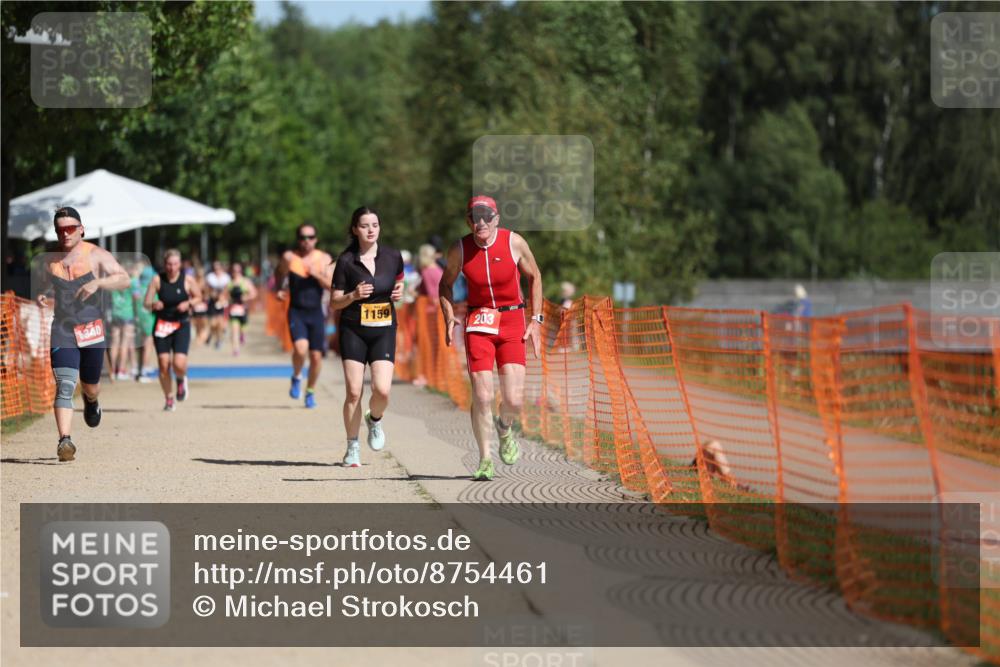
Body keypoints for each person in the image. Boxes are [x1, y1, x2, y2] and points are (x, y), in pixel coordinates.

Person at [439, 195, 543, 481]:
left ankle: (504, 427)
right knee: (482, 395)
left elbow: (535, 276)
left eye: (487, 216)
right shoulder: (460, 249)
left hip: (512, 320)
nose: (481, 222)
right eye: (475, 217)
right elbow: (445, 284)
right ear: (468, 221)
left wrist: (536, 320)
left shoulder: (514, 242)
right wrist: (449, 316)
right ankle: (485, 459)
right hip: (479, 322)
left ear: (497, 218)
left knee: (513, 399)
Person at [36, 206, 130, 461]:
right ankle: (64, 441)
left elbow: (124, 279)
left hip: (91, 330)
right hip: (63, 330)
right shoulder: (50, 260)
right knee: (65, 385)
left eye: (70, 228)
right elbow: (46, 286)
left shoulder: (96, 255)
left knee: (91, 386)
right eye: (60, 230)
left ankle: (91, 401)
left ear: (81, 229)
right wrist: (44, 296)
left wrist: (98, 282)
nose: (65, 233)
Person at [330, 207, 405, 467]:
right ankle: (352, 447)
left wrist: (399, 291)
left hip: (384, 328)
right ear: (355, 230)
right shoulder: (346, 261)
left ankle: (374, 420)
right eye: (364, 225)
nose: (371, 230)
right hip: (353, 330)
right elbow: (334, 302)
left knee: (382, 390)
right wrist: (353, 295)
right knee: (354, 392)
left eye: (375, 224)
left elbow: (399, 280)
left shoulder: (393, 256)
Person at [274, 223, 335, 409]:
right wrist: (279, 289)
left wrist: (316, 274)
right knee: (301, 350)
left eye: (310, 237)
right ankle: (297, 376)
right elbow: (279, 272)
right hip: (296, 311)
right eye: (302, 237)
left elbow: (332, 286)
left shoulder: (324, 259)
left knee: (316, 356)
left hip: (316, 312)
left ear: (316, 239)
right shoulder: (289, 257)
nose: (306, 241)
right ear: (298, 239)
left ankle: (310, 391)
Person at [144, 249, 202, 411]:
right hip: (162, 325)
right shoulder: (157, 280)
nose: (172, 267)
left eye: (175, 264)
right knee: (163, 364)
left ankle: (181, 379)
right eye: (169, 264)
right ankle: (169, 398)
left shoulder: (187, 280)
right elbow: (146, 303)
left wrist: (188, 303)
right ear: (165, 264)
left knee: (178, 363)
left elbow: (199, 297)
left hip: (181, 324)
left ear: (180, 264)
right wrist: (154, 304)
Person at [108, 261, 137, 380]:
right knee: (124, 343)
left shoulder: (111, 281)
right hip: (127, 315)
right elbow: (136, 297)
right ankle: (121, 370)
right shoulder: (130, 282)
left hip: (115, 314)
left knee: (114, 343)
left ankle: (112, 370)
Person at [227, 261, 257, 357]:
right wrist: (225, 301)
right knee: (234, 329)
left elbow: (254, 293)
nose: (236, 272)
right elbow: (225, 295)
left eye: (237, 270)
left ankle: (242, 335)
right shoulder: (230, 283)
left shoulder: (246, 282)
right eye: (234, 270)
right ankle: (235, 349)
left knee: (242, 329)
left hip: (243, 309)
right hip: (233, 310)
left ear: (241, 271)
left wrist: (246, 298)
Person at [205, 260, 231, 348]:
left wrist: (223, 298)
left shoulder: (226, 277)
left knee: (220, 323)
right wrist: (211, 295)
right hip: (212, 303)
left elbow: (227, 290)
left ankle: (219, 340)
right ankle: (211, 333)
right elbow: (207, 290)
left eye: (218, 268)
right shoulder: (210, 277)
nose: (217, 270)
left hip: (222, 302)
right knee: (213, 324)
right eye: (215, 268)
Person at [191, 265, 210, 344]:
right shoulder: (193, 281)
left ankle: (204, 336)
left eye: (201, 274)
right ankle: (199, 336)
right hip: (195, 305)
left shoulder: (205, 283)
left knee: (203, 322)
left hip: (202, 305)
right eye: (199, 273)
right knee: (196, 322)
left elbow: (207, 295)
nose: (200, 275)